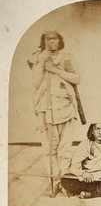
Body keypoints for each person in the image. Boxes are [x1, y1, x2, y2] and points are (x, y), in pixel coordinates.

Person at [29, 31, 80, 196]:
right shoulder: (39, 59)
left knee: (65, 149)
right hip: (47, 110)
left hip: (65, 107)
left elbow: (76, 78)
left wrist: (56, 70)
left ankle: (65, 182)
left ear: (60, 40)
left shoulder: (66, 58)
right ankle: (55, 182)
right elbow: (36, 84)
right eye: (48, 40)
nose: (51, 42)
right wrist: (42, 63)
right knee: (50, 149)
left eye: (54, 39)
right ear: (44, 42)